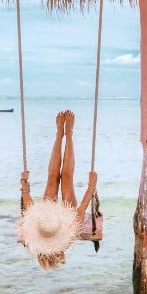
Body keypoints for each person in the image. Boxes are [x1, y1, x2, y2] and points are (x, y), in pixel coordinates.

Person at [18, 110, 97, 269]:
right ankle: (68, 132)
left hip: (47, 219)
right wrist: (91, 187)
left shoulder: (36, 235)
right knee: (66, 176)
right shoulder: (66, 238)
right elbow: (81, 210)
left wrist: (24, 184)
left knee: (53, 176)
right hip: (63, 221)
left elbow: (29, 208)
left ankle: (59, 133)